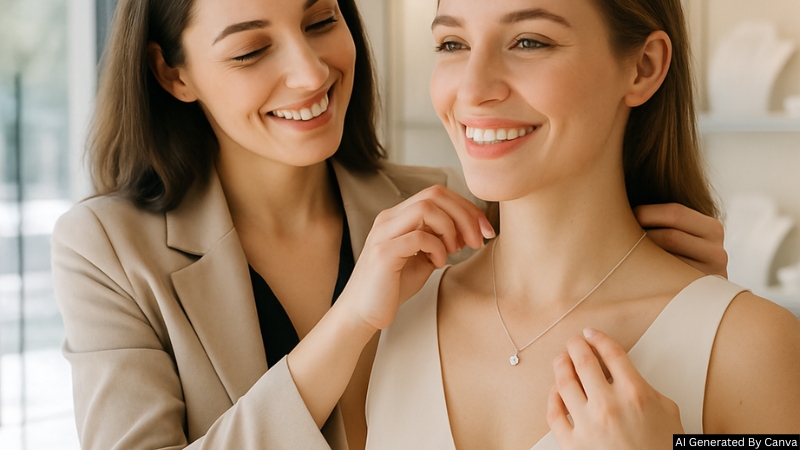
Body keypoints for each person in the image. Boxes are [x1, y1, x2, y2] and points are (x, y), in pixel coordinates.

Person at [51, 0, 730, 448]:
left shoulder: (450, 204)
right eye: (252, 51)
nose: (310, 71)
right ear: (173, 73)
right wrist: (348, 324)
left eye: (320, 21)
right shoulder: (107, 249)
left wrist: (695, 319)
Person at [365, 0, 800, 448]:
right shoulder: (391, 316)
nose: (473, 90)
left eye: (529, 42)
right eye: (453, 43)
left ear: (643, 67)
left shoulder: (750, 348)